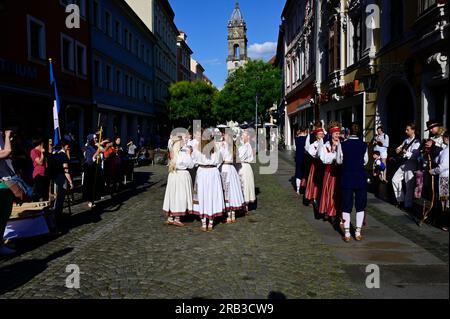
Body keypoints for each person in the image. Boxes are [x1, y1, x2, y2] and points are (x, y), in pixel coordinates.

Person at [336, 123, 368, 242]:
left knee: (346, 205)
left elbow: (339, 161)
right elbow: (365, 161)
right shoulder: (364, 145)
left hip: (347, 177)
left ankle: (347, 233)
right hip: (360, 177)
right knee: (360, 205)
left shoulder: (342, 144)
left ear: (349, 132)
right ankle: (358, 232)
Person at [192, 134, 225, 231]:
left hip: (202, 172)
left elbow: (194, 161)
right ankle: (210, 222)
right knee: (212, 196)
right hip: (213, 173)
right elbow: (219, 161)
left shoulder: (197, 149)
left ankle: (203, 223)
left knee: (203, 196)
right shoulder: (216, 150)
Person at [163, 137, 195, 227]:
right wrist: (189, 154)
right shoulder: (183, 154)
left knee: (172, 195)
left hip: (173, 175)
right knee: (180, 196)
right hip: (182, 175)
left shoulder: (172, 153)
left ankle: (170, 217)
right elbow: (191, 165)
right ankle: (177, 218)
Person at [392, 123, 421, 212]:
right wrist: (398, 149)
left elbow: (415, 155)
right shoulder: (406, 140)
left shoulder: (417, 142)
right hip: (403, 163)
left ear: (413, 130)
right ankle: (400, 199)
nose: (405, 131)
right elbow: (399, 147)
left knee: (409, 184)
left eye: (407, 130)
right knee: (395, 179)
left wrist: (405, 152)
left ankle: (408, 205)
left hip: (411, 164)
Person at [219, 132, 245, 223]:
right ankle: (233, 214)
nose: (222, 136)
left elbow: (219, 158)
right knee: (233, 190)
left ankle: (228, 215)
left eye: (224, 135)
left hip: (225, 168)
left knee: (226, 190)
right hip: (232, 169)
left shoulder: (224, 145)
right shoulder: (233, 146)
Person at [318, 122, 342, 223]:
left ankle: (335, 212)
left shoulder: (342, 144)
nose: (337, 135)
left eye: (338, 133)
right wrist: (333, 154)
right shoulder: (326, 145)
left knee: (337, 193)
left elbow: (343, 157)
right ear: (331, 134)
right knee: (328, 192)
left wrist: (337, 150)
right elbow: (323, 159)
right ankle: (327, 212)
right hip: (329, 172)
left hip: (340, 172)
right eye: (335, 133)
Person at [0, 130, 16, 255]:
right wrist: (6, 136)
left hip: (5, 184)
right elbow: (7, 152)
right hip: (1, 186)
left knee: (5, 215)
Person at [429, 130, 449, 231]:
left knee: (445, 201)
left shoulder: (447, 151)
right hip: (446, 178)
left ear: (446, 138)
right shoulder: (444, 150)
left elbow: (443, 166)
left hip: (445, 178)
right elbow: (437, 159)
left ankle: (445, 223)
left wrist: (433, 171)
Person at [52, 138, 74, 228]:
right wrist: (71, 181)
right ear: (65, 146)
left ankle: (56, 216)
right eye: (68, 145)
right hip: (61, 178)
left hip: (56, 178)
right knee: (60, 198)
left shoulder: (57, 154)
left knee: (58, 198)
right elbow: (66, 170)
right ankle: (57, 217)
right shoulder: (63, 156)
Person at [304, 127, 325, 210]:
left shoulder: (325, 143)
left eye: (322, 134)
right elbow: (313, 154)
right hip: (316, 165)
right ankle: (313, 197)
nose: (321, 135)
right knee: (314, 182)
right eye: (320, 134)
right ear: (316, 135)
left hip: (323, 166)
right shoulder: (313, 145)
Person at [82, 134, 104, 208]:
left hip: (95, 168)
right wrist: (96, 154)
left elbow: (103, 150)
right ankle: (90, 201)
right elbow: (89, 160)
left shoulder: (95, 146)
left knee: (95, 186)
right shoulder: (88, 148)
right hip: (89, 169)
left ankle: (93, 199)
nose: (96, 139)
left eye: (96, 138)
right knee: (90, 186)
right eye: (94, 138)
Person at [238, 130, 256, 212]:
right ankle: (246, 205)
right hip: (246, 166)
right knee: (246, 185)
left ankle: (245, 205)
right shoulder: (246, 145)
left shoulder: (246, 146)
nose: (242, 137)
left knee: (245, 185)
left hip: (244, 166)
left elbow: (240, 157)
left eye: (243, 136)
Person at [294, 127, 308, 195]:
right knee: (305, 173)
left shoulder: (296, 138)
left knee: (298, 173)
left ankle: (298, 189)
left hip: (298, 158)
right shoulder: (306, 138)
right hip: (304, 158)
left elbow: (294, 147)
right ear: (305, 131)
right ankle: (305, 188)